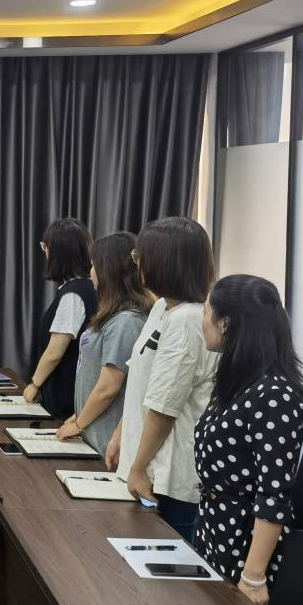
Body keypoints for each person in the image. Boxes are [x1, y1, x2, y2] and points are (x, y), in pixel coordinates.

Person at [194, 275, 303, 605]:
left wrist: (253, 577)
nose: (202, 322)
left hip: (244, 546)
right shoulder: (238, 381)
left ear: (225, 323)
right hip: (213, 529)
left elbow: (274, 495)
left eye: (206, 312)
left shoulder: (275, 395)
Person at [110, 216, 219, 541]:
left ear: (165, 262)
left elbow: (164, 407)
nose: (136, 261)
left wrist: (138, 467)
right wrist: (120, 434)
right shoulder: (162, 308)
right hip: (144, 463)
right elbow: (141, 382)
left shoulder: (188, 320)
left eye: (140, 254)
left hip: (168, 477)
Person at [56, 233, 152, 457]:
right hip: (92, 432)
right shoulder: (113, 317)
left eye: (94, 265)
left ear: (108, 269)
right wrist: (79, 416)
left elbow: (109, 387)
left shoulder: (126, 321)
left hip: (106, 444)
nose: (91, 271)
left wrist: (78, 424)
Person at [24, 218, 97, 420]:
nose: (44, 252)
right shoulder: (87, 287)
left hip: (64, 399)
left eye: (45, 246)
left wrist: (34, 384)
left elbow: (55, 351)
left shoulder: (73, 295)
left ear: (57, 252)